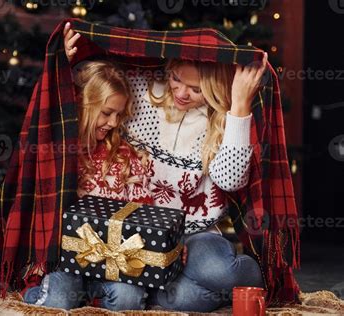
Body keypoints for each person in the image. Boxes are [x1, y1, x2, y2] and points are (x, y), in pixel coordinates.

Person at [64, 21, 267, 312]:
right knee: (180, 299)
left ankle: (248, 279)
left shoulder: (220, 121)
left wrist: (239, 106)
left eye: (195, 88)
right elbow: (94, 86)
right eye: (176, 79)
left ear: (214, 87)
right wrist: (65, 61)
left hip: (195, 234)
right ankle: (189, 287)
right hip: (144, 233)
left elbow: (232, 180)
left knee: (219, 272)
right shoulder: (142, 91)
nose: (182, 93)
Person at [23, 26, 153, 310]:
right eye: (106, 113)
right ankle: (44, 297)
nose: (113, 122)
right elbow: (45, 108)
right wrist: (61, 63)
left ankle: (91, 300)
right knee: (58, 299)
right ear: (81, 103)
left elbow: (141, 213)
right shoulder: (60, 151)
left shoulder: (125, 158)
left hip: (112, 259)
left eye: (119, 115)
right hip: (66, 258)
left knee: (129, 297)